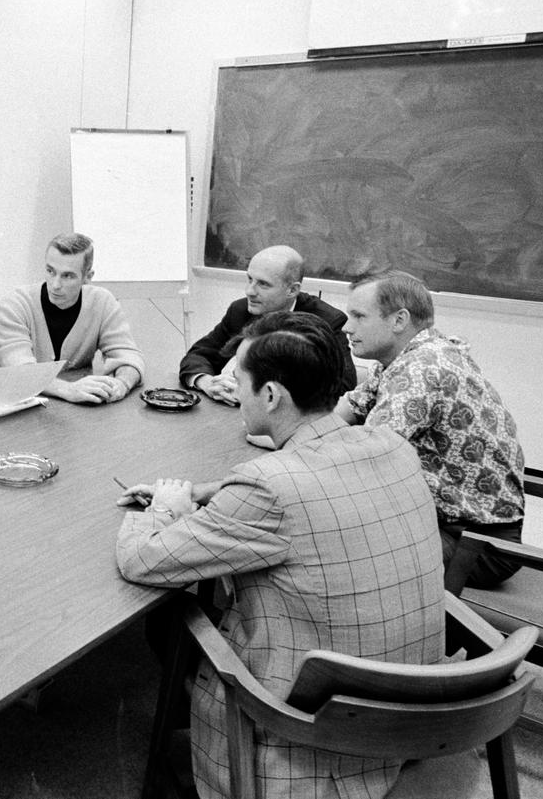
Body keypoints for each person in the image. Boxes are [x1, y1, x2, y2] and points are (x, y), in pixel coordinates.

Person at [116, 311, 445, 799]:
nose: (236, 395)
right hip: (412, 720)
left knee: (169, 621)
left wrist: (163, 506)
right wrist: (208, 492)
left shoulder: (269, 486)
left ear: (271, 395)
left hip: (309, 746)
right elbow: (301, 494)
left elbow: (141, 561)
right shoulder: (391, 445)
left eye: (240, 383)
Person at [336, 269, 525, 588]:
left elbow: (362, 458)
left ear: (398, 320)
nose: (346, 327)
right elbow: (346, 411)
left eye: (358, 316)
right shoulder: (407, 354)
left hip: (477, 545)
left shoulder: (422, 370)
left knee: (327, 540)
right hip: (450, 522)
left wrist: (289, 440)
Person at [179, 245, 356, 403]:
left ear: (292, 290)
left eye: (263, 284)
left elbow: (343, 387)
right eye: (250, 279)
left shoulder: (325, 320)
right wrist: (206, 382)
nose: (249, 291)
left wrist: (256, 393)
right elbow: (199, 356)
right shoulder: (241, 311)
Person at [0, 233, 144, 404]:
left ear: (88, 277)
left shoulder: (102, 302)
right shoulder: (15, 304)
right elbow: (20, 373)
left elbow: (129, 356)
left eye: (67, 276)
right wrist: (68, 389)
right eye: (50, 271)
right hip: (20, 408)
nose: (55, 284)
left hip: (75, 413)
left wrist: (122, 383)